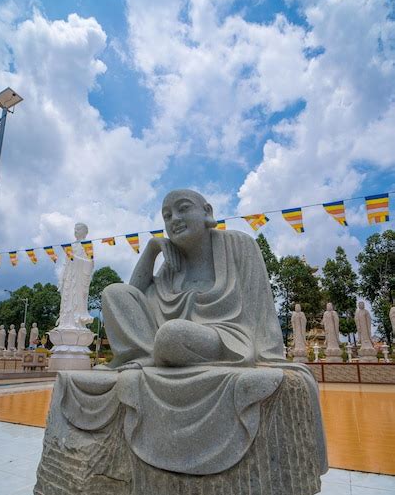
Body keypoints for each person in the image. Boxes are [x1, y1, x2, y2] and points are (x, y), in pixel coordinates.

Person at [62, 189, 327, 475]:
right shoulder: (170, 264)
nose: (174, 219)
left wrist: (268, 354)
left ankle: (154, 355)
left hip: (223, 339)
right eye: (166, 215)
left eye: (182, 209)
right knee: (112, 292)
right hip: (164, 339)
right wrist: (152, 250)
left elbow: (259, 306)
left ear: (207, 212)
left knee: (171, 336)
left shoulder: (238, 245)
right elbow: (132, 295)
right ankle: (150, 355)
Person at [57, 223, 93, 329]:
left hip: (78, 279)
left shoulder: (87, 245)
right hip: (68, 278)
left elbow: (90, 263)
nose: (75, 231)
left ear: (85, 232)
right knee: (66, 300)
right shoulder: (70, 246)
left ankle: (76, 323)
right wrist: (61, 279)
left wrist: (75, 259)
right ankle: (64, 323)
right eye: (75, 229)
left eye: (78, 229)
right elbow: (65, 264)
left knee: (76, 300)